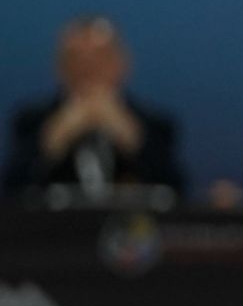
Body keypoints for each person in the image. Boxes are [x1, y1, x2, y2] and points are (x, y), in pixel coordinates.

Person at [3, 15, 185, 199]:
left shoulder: (155, 123)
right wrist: (53, 140)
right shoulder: (32, 121)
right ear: (59, 66)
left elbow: (177, 191)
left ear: (122, 63)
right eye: (76, 59)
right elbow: (11, 190)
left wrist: (131, 139)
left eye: (99, 58)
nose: (87, 68)